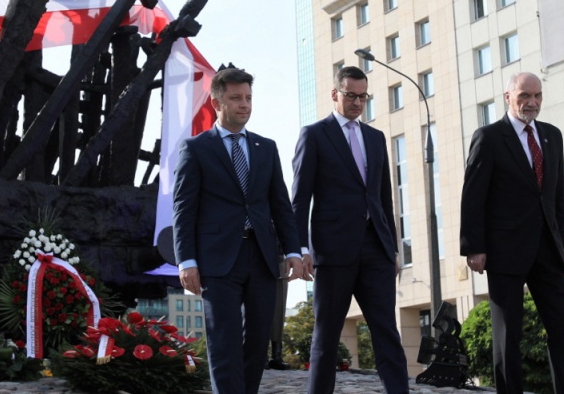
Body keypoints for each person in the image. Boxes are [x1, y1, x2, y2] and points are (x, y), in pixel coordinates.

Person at [173, 67, 305, 394]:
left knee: (258, 340)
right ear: (217, 103)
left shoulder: (266, 147)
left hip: (261, 256)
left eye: (248, 97)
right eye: (235, 98)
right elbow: (184, 209)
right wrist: (186, 260)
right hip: (217, 261)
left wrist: (294, 251)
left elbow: (280, 206)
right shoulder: (197, 148)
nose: (244, 104)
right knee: (224, 341)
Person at [460, 73, 564, 393]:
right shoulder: (488, 137)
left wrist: (560, 240)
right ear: (508, 97)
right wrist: (474, 246)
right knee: (508, 337)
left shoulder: (552, 136)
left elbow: (556, 196)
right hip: (505, 251)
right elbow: (473, 196)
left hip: (547, 250)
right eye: (524, 96)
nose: (532, 102)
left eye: (537, 96)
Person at [291, 66, 409, 394]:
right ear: (335, 94)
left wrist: (393, 249)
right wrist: (300, 250)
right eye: (351, 96)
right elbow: (299, 199)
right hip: (332, 253)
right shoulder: (314, 135)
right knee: (326, 337)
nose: (358, 103)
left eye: (363, 96)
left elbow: (384, 199)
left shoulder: (376, 137)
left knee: (387, 332)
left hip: (377, 252)